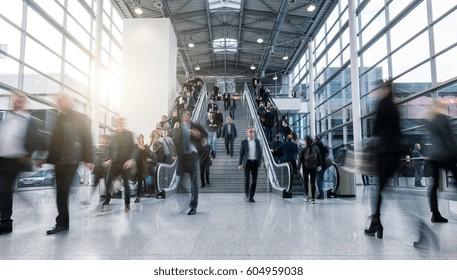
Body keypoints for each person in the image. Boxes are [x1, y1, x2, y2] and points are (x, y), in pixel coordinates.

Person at [45, 94, 94, 234]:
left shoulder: (79, 117)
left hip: (72, 160)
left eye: (63, 100)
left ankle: (62, 223)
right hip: (59, 161)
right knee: (61, 192)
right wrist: (45, 158)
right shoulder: (57, 118)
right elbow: (53, 141)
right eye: (59, 100)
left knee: (62, 191)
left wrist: (89, 158)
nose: (60, 102)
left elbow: (87, 138)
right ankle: (62, 223)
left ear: (70, 102)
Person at [0, 93, 48, 235]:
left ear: (25, 103)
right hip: (2, 159)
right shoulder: (8, 118)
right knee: (4, 189)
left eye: (20, 101)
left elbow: (40, 140)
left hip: (16, 159)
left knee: (4, 188)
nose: (16, 103)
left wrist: (31, 155)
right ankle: (6, 217)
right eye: (15, 100)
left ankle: (6, 222)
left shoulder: (30, 120)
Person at [364, 83, 404, 238]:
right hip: (395, 152)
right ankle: (376, 222)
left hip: (385, 153)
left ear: (387, 90)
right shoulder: (394, 106)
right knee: (383, 189)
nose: (379, 92)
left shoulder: (383, 105)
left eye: (381, 89)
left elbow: (376, 131)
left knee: (379, 190)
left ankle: (376, 222)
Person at [426, 101, 457, 223]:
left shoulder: (430, 121)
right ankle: (435, 214)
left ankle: (435, 213)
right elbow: (448, 137)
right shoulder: (443, 118)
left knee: (434, 185)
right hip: (446, 155)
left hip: (434, 156)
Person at [173, 110, 208, 215]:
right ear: (182, 117)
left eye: (188, 115)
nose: (186, 117)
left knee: (194, 183)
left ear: (189, 117)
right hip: (182, 158)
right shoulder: (178, 128)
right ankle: (185, 199)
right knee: (178, 183)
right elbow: (174, 141)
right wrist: (174, 154)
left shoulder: (195, 126)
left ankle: (193, 206)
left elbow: (205, 135)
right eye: (184, 115)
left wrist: (199, 135)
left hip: (192, 157)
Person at [99, 117, 135, 212]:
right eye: (119, 122)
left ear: (124, 123)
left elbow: (133, 148)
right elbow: (110, 148)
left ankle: (127, 204)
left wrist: (131, 159)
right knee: (108, 183)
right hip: (114, 163)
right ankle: (107, 199)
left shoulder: (129, 134)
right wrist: (108, 159)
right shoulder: (114, 135)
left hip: (125, 164)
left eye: (123, 122)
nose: (121, 124)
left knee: (126, 185)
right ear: (117, 124)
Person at [238, 127, 262, 202]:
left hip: (255, 163)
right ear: (247, 133)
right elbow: (241, 153)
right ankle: (247, 194)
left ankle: (251, 196)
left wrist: (260, 162)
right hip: (247, 163)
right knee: (247, 179)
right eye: (250, 132)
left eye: (253, 132)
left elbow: (259, 152)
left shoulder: (257, 142)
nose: (251, 133)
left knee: (254, 181)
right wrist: (240, 164)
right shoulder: (244, 142)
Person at [298, 136, 322, 204]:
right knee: (313, 182)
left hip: (305, 167)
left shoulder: (304, 149)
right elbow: (319, 157)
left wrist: (298, 167)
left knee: (305, 182)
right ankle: (313, 199)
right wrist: (320, 165)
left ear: (306, 141)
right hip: (314, 167)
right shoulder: (316, 148)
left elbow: (300, 158)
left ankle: (306, 196)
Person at [134, 134, 151, 203]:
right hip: (135, 165)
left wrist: (140, 146)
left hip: (142, 166)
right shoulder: (135, 146)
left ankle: (138, 196)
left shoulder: (146, 146)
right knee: (137, 180)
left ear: (142, 139)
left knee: (140, 180)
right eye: (137, 138)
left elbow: (148, 153)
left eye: (140, 138)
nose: (138, 139)